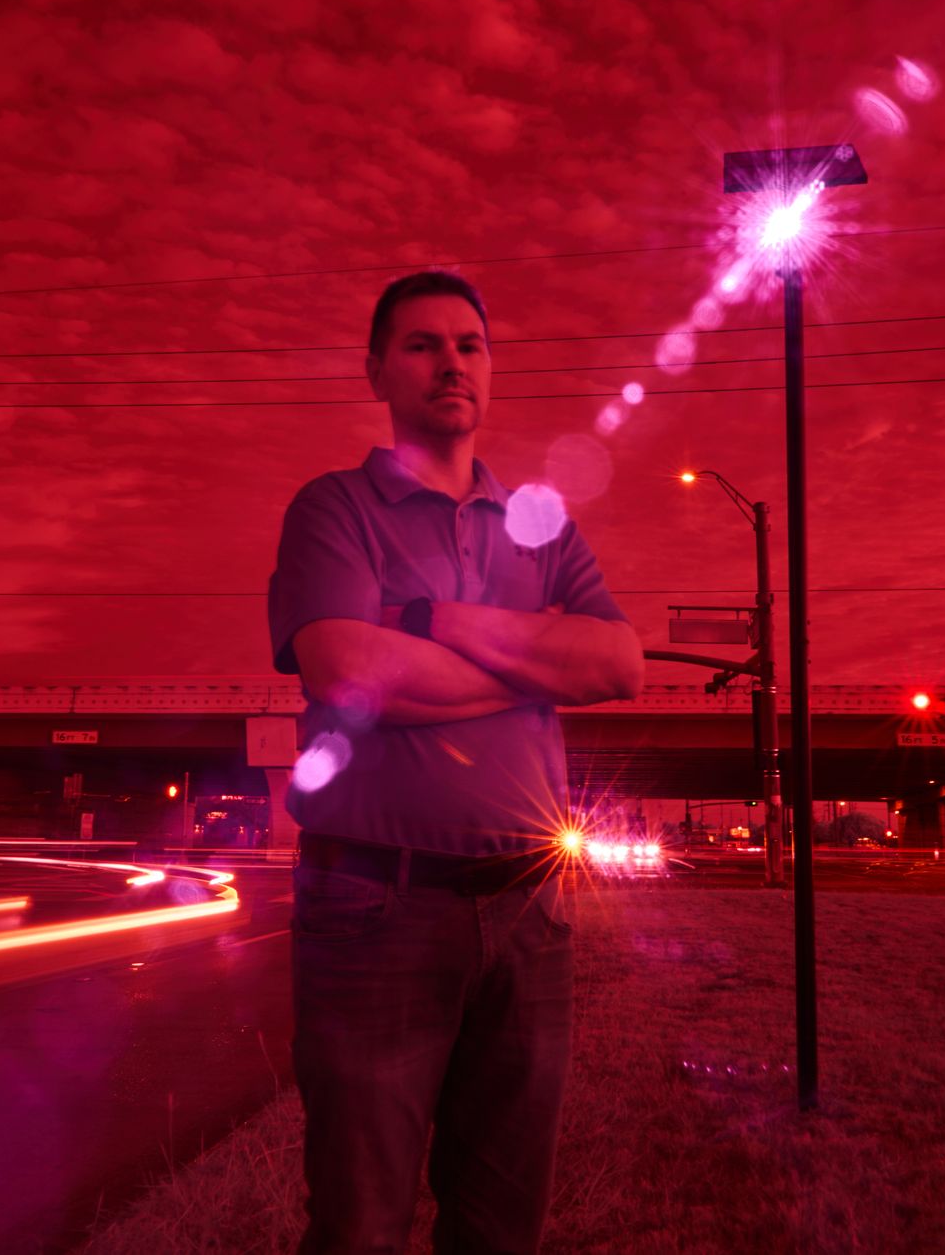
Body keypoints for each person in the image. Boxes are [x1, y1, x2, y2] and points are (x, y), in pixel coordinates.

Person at [267, 269, 643, 1253]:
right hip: (373, 909)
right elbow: (348, 666)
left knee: (501, 1226)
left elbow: (617, 661)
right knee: (359, 1223)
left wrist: (433, 625)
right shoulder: (333, 508)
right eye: (422, 344)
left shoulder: (539, 523)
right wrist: (532, 662)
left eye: (469, 344)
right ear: (377, 370)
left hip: (529, 914)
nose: (450, 363)